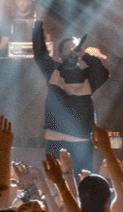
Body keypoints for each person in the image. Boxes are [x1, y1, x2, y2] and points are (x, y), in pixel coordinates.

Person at [32, 20, 109, 172]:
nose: (72, 51)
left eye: (74, 48)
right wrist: (38, 25)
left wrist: (85, 55)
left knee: (83, 181)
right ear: (60, 54)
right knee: (57, 181)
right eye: (67, 48)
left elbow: (103, 74)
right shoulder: (53, 70)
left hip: (82, 138)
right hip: (56, 136)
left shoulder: (88, 76)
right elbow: (40, 54)